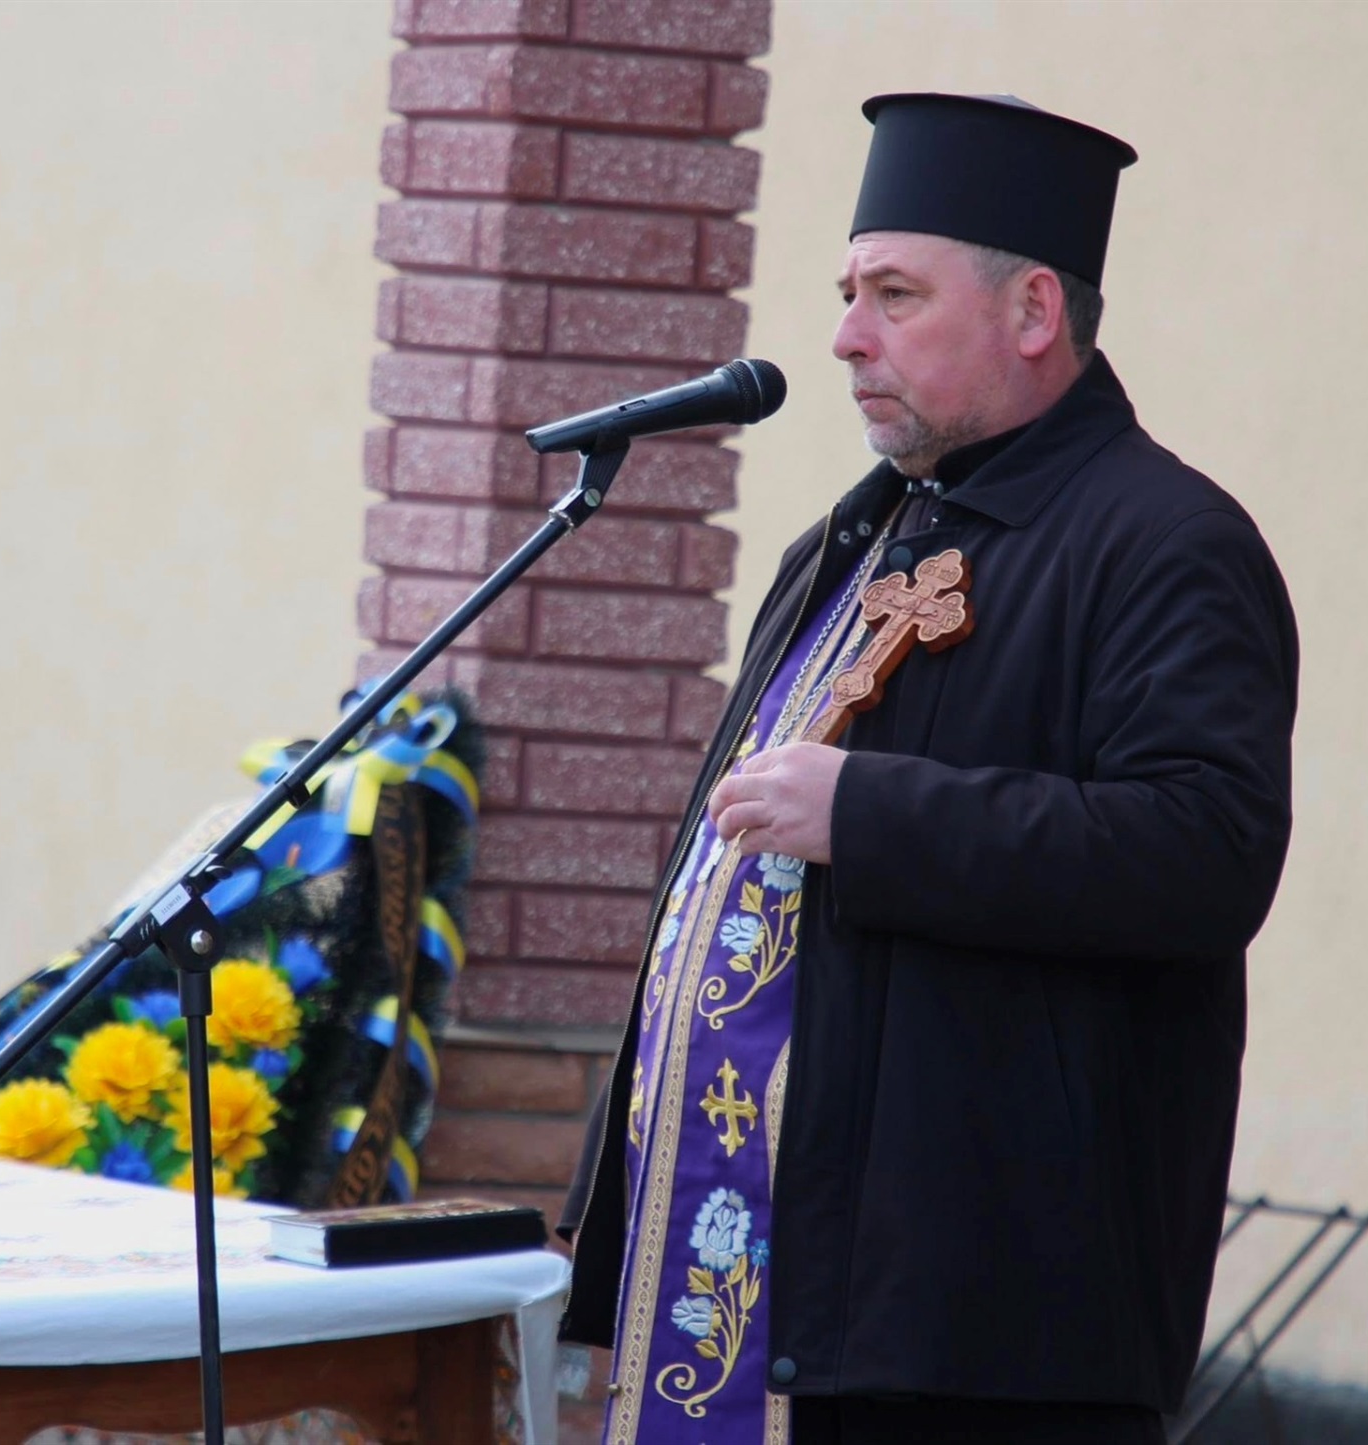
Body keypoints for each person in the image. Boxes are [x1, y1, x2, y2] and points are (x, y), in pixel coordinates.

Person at [557, 93, 1300, 1445]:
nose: (847, 336)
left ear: (1033, 311)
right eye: (849, 295)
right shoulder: (848, 545)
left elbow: (1207, 851)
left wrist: (871, 813)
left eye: (895, 295)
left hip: (987, 1333)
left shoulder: (1165, 543)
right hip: (760, 1290)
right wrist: (607, 1212)